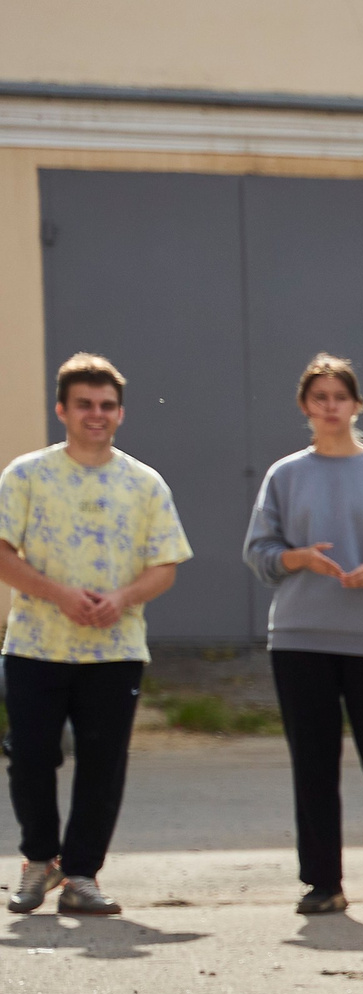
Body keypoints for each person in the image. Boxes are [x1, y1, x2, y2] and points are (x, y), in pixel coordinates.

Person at [0, 355, 193, 918]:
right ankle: (39, 860)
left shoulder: (143, 483)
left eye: (107, 406)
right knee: (30, 756)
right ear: (62, 409)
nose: (96, 415)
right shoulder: (26, 475)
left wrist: (122, 598)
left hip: (116, 649)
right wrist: (57, 592)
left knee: (103, 762)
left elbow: (166, 565)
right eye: (84, 404)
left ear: (121, 413)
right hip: (36, 644)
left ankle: (82, 874)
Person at [244, 355, 363, 915]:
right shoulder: (285, 475)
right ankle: (322, 881)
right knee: (313, 762)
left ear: (356, 405)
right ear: (306, 406)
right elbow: (259, 552)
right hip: (301, 638)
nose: (331, 407)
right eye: (320, 397)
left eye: (340, 397)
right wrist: (295, 557)